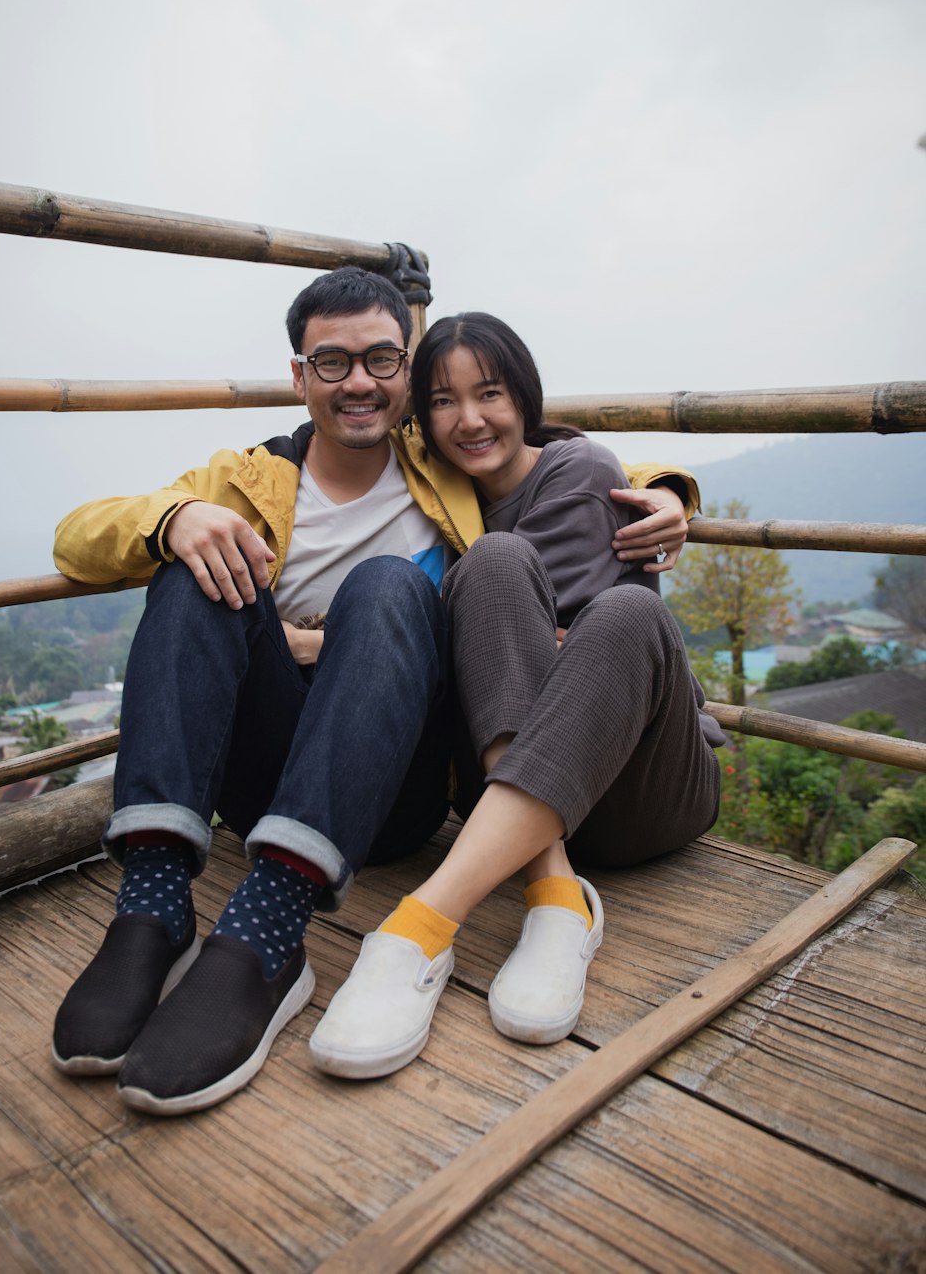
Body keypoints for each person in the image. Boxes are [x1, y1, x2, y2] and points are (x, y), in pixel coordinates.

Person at [50, 272, 696, 1116]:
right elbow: (76, 538)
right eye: (333, 361)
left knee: (392, 584)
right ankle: (153, 908)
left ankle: (269, 933)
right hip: (267, 773)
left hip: (394, 783)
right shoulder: (247, 479)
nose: (359, 380)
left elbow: (547, 455)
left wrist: (670, 490)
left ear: (405, 374)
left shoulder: (439, 465)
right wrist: (175, 521)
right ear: (300, 376)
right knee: (189, 573)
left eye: (382, 358)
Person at [308, 312, 723, 1080]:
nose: (469, 419)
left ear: (523, 395)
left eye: (489, 392)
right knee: (495, 560)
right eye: (441, 400)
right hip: (521, 808)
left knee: (626, 611)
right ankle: (557, 895)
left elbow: (582, 658)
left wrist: (668, 491)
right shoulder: (436, 502)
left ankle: (420, 926)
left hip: (642, 792)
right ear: (418, 416)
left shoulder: (578, 469)